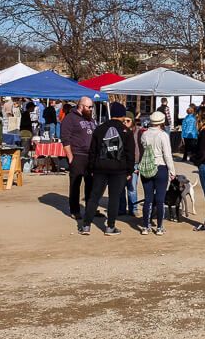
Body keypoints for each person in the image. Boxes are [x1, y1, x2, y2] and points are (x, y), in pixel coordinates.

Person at [80, 102, 136, 236]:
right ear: (122, 115)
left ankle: (86, 225)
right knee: (114, 198)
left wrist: (92, 167)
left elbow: (92, 151)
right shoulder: (126, 131)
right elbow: (130, 153)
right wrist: (130, 171)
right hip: (119, 168)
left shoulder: (99, 129)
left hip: (100, 167)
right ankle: (110, 227)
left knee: (94, 196)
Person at [61, 97, 97, 220]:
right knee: (75, 183)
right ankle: (75, 210)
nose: (91, 109)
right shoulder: (69, 119)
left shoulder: (91, 119)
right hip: (77, 154)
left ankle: (90, 208)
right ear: (81, 106)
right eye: (89, 107)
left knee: (91, 184)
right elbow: (65, 138)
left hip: (90, 156)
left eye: (92, 107)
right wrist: (70, 156)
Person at [140, 111, 175, 235]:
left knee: (148, 198)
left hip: (146, 167)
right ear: (162, 122)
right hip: (160, 167)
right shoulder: (163, 135)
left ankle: (145, 226)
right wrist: (172, 170)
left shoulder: (144, 135)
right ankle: (159, 227)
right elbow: (167, 155)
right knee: (160, 199)